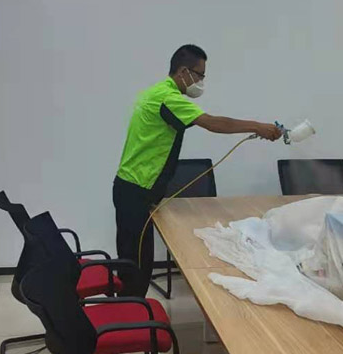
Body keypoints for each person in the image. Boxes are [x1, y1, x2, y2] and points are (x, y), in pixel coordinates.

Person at [113, 44, 282, 297]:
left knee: (134, 262)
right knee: (136, 268)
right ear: (183, 72)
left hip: (132, 187)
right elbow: (213, 123)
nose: (201, 82)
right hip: (136, 190)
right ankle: (129, 314)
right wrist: (257, 126)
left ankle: (129, 310)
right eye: (199, 75)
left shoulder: (156, 92)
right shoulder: (168, 98)